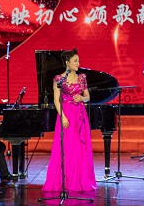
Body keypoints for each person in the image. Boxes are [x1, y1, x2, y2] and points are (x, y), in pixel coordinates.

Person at [42, 48, 97, 192]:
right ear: (67, 62)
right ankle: (65, 180)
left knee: (79, 147)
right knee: (67, 147)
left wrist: (82, 98)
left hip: (80, 115)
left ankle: (79, 180)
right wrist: (63, 117)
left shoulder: (82, 77)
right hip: (66, 114)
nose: (78, 63)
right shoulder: (58, 79)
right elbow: (56, 100)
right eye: (75, 61)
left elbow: (88, 96)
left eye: (78, 60)